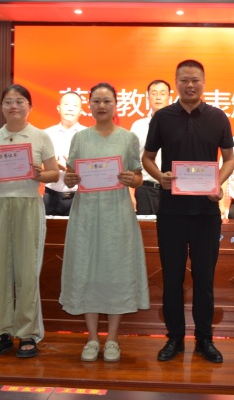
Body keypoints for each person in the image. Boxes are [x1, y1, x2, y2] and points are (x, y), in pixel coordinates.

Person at [142, 59, 234, 363]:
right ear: (177, 83)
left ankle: (205, 339)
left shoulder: (218, 117)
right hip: (171, 211)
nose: (190, 85)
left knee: (204, 279)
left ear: (204, 83)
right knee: (172, 278)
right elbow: (147, 158)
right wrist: (160, 177)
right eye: (184, 80)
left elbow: (230, 160)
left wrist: (217, 183)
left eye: (195, 80)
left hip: (206, 212)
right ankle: (175, 338)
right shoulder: (162, 117)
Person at [59, 82, 150, 362]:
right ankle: (91, 338)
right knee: (87, 270)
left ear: (115, 105)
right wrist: (69, 178)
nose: (101, 106)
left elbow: (138, 177)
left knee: (116, 271)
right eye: (96, 101)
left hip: (117, 214)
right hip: (86, 214)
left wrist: (131, 179)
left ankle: (112, 339)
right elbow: (71, 176)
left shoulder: (128, 138)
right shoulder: (80, 138)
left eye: (107, 101)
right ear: (89, 105)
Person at [0, 84, 59, 359]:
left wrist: (39, 174)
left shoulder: (40, 136)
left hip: (28, 204)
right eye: (8, 101)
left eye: (20, 101)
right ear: (1, 107)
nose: (14, 106)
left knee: (27, 269)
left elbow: (54, 173)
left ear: (29, 106)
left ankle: (27, 333)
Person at [130, 79, 171, 215]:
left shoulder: (180, 125)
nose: (158, 97)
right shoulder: (138, 126)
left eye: (162, 93)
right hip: (145, 189)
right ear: (148, 98)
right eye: (154, 93)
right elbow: (131, 160)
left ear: (169, 97)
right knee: (145, 227)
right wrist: (130, 193)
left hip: (172, 188)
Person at [44, 91, 87, 216]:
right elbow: (35, 166)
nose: (70, 108)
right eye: (66, 104)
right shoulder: (46, 134)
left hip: (81, 197)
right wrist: (52, 166)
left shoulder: (89, 135)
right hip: (51, 196)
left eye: (75, 105)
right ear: (58, 108)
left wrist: (75, 167)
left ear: (81, 111)